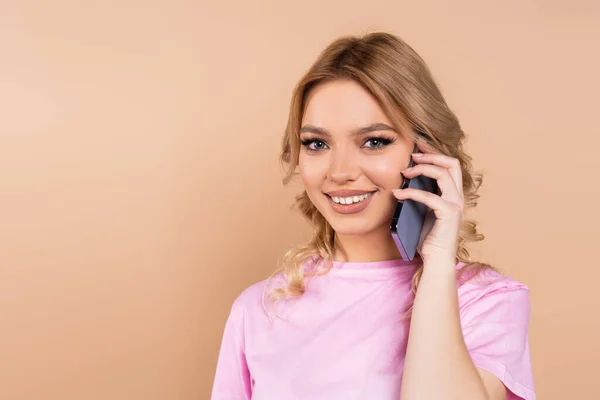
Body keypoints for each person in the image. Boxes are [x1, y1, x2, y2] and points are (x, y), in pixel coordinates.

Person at [210, 31, 535, 400]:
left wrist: (438, 262)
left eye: (374, 141)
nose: (340, 171)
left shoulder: (485, 301)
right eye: (317, 144)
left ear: (425, 152)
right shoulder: (258, 310)